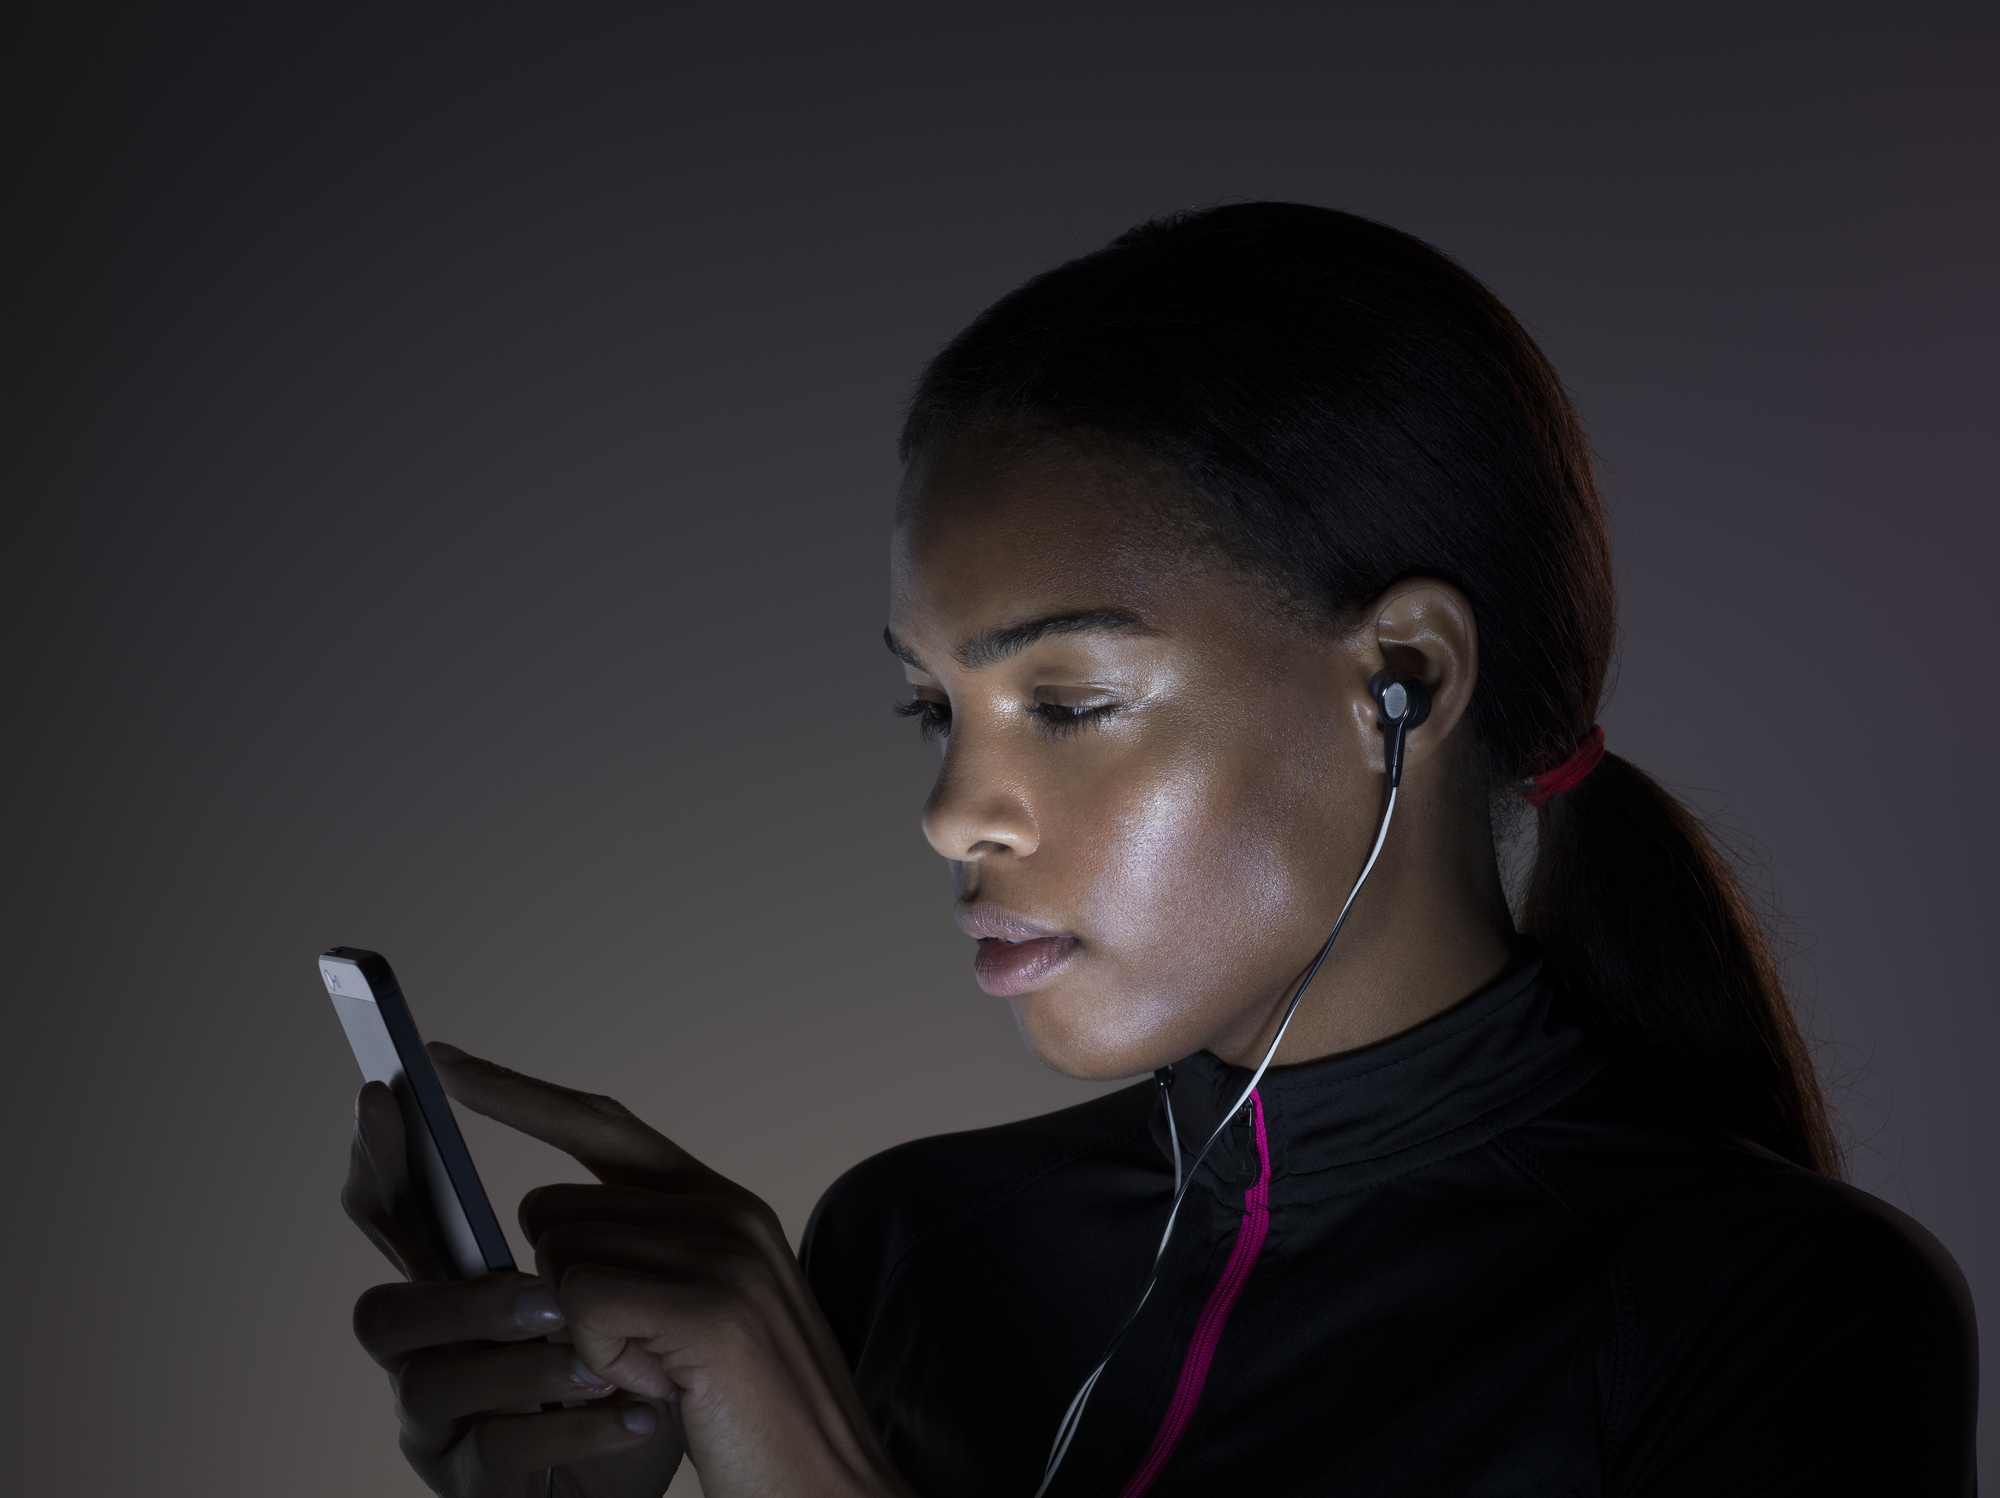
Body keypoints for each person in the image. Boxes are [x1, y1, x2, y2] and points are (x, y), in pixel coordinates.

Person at [342, 203, 1978, 1497]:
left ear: (1398, 681)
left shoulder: (1782, 1318)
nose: (951, 813)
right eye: (936, 710)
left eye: (1068, 697)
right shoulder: (907, 1248)